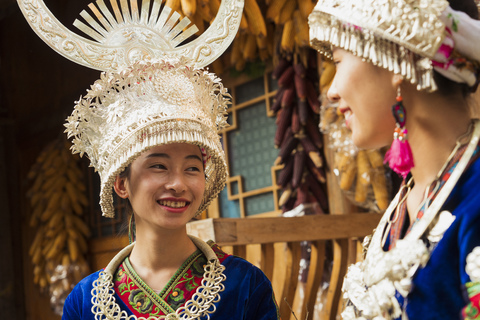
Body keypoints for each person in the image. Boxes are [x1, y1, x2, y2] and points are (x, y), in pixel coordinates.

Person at [18, 0, 280, 319]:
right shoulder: (84, 303)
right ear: (121, 181)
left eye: (192, 168)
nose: (179, 183)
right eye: (158, 165)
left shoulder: (245, 286)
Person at [309, 0, 480, 319]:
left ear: (396, 59)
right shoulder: (405, 202)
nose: (332, 91)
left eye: (339, 60)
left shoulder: (475, 196)